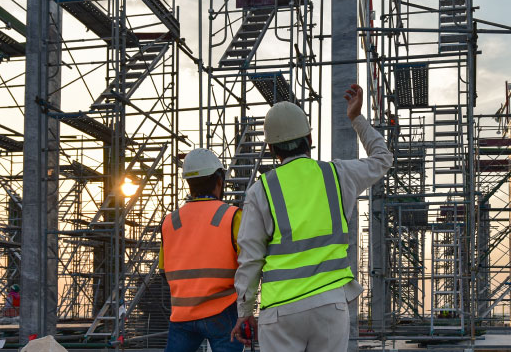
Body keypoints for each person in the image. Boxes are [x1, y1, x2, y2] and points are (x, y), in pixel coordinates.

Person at [230, 84, 393, 351]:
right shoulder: (338, 174)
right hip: (329, 305)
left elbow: (250, 257)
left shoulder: (261, 190)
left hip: (280, 311)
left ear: (271, 148)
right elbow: (382, 158)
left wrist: (244, 312)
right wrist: (356, 119)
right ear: (309, 137)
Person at [160, 149, 243, 352]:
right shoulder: (232, 216)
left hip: (182, 316)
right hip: (223, 311)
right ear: (219, 180)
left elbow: (163, 271)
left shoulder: (170, 221)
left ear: (189, 183)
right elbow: (249, 265)